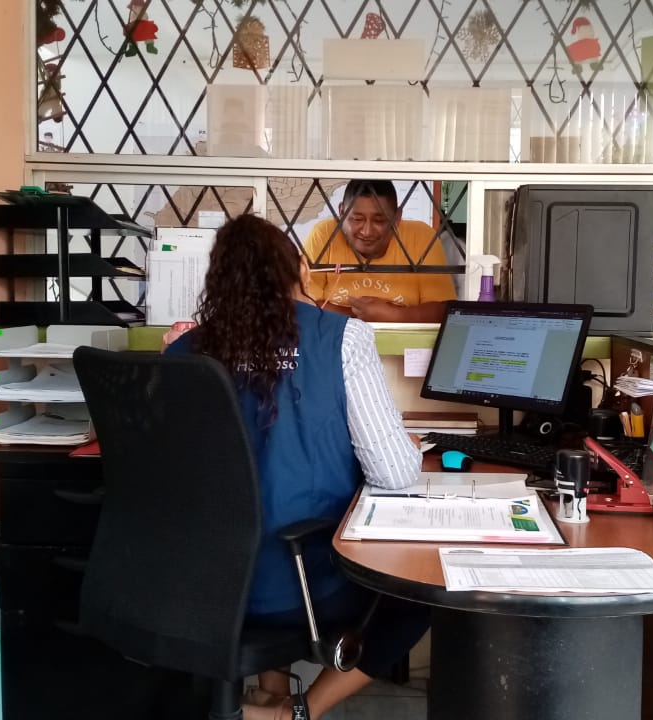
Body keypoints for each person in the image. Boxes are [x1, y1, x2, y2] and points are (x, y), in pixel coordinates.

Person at [165, 214, 430, 720]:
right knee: (418, 594)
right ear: (301, 271)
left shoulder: (183, 351)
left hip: (203, 586)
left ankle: (271, 691)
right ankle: (297, 711)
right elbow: (395, 475)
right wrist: (404, 446)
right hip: (305, 589)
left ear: (217, 279)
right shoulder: (342, 338)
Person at [303, 180, 457, 323]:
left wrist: (393, 315)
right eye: (357, 219)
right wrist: (363, 315)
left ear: (397, 217)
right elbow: (302, 301)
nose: (367, 231)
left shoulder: (422, 237)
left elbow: (443, 310)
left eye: (379, 220)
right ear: (342, 212)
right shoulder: (324, 234)